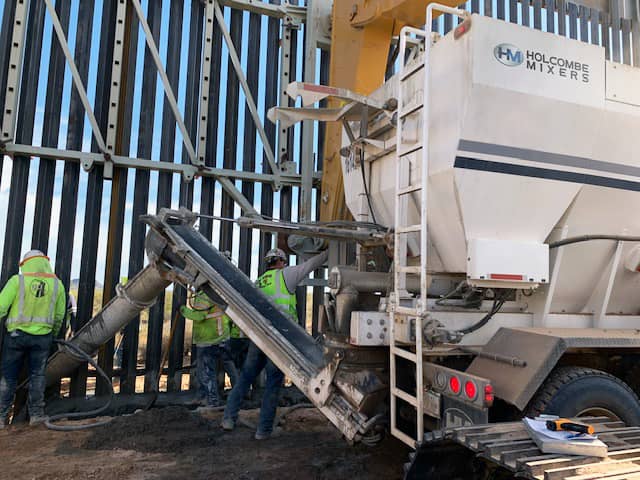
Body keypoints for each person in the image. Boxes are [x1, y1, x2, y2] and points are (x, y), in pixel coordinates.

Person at [222, 247, 328, 440]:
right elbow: (313, 264)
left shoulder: (259, 281)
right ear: (280, 261)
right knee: (272, 383)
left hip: (259, 337)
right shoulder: (286, 275)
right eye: (284, 262)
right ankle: (263, 430)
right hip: (279, 341)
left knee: (246, 377)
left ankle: (228, 418)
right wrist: (331, 249)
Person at [0, 250, 66, 427]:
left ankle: (1, 417)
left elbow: (1, 306)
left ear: (25, 264)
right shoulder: (57, 284)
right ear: (45, 262)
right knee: (37, 376)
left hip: (16, 336)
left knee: (8, 377)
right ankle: (36, 415)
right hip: (42, 338)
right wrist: (53, 333)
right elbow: (60, 315)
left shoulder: (18, 281)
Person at [181, 291, 238, 408]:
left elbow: (199, 316)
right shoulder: (221, 291)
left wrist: (182, 310)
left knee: (206, 372)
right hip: (222, 336)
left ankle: (212, 401)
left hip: (209, 339)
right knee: (230, 367)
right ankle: (239, 396)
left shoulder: (204, 294)